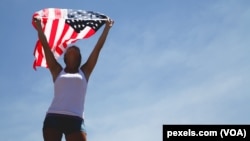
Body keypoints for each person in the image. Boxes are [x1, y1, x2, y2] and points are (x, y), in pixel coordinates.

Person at [33, 18, 114, 141]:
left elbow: (97, 49)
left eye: (76, 49)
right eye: (69, 49)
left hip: (76, 119)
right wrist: (39, 26)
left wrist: (107, 28)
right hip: (54, 116)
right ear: (64, 57)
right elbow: (45, 46)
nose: (72, 48)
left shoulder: (85, 71)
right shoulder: (57, 70)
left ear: (79, 57)